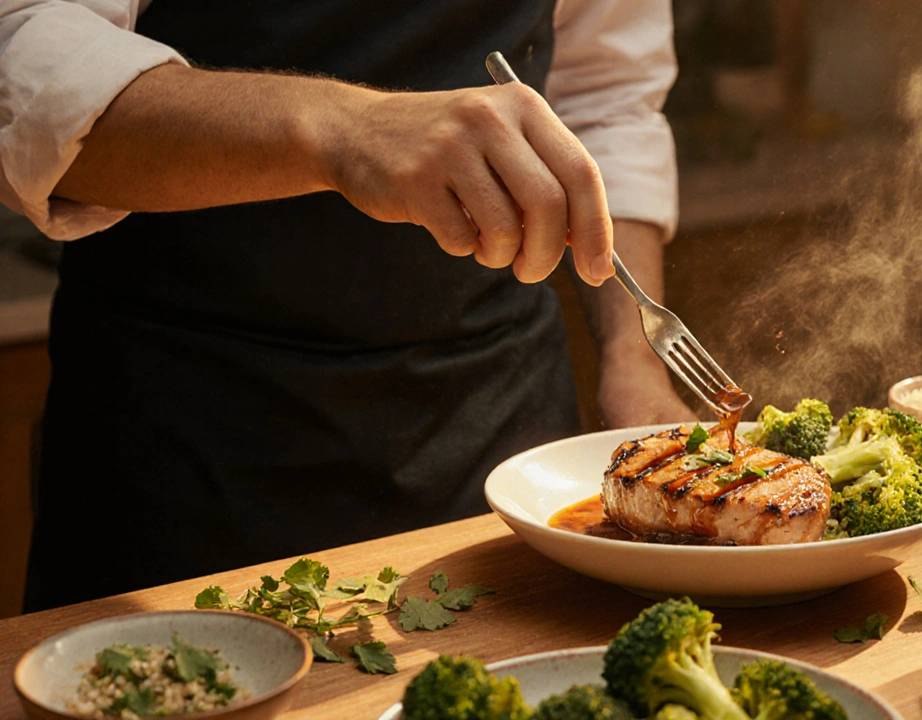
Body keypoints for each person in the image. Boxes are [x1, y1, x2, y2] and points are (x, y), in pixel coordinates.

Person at [0, 0, 694, 611]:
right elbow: (22, 48)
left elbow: (607, 101)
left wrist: (635, 361)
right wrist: (345, 128)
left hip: (492, 410)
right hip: (187, 423)